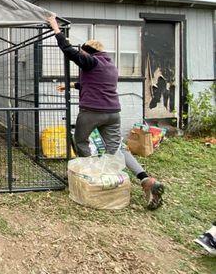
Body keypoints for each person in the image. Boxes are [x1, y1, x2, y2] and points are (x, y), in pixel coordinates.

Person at [46, 14, 165, 210]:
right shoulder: (109, 65)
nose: (81, 55)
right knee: (117, 149)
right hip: (113, 113)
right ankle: (146, 180)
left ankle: (90, 174)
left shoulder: (91, 61)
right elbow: (96, 84)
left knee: (81, 140)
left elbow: (67, 50)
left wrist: (55, 28)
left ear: (88, 51)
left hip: (92, 112)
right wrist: (75, 85)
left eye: (82, 52)